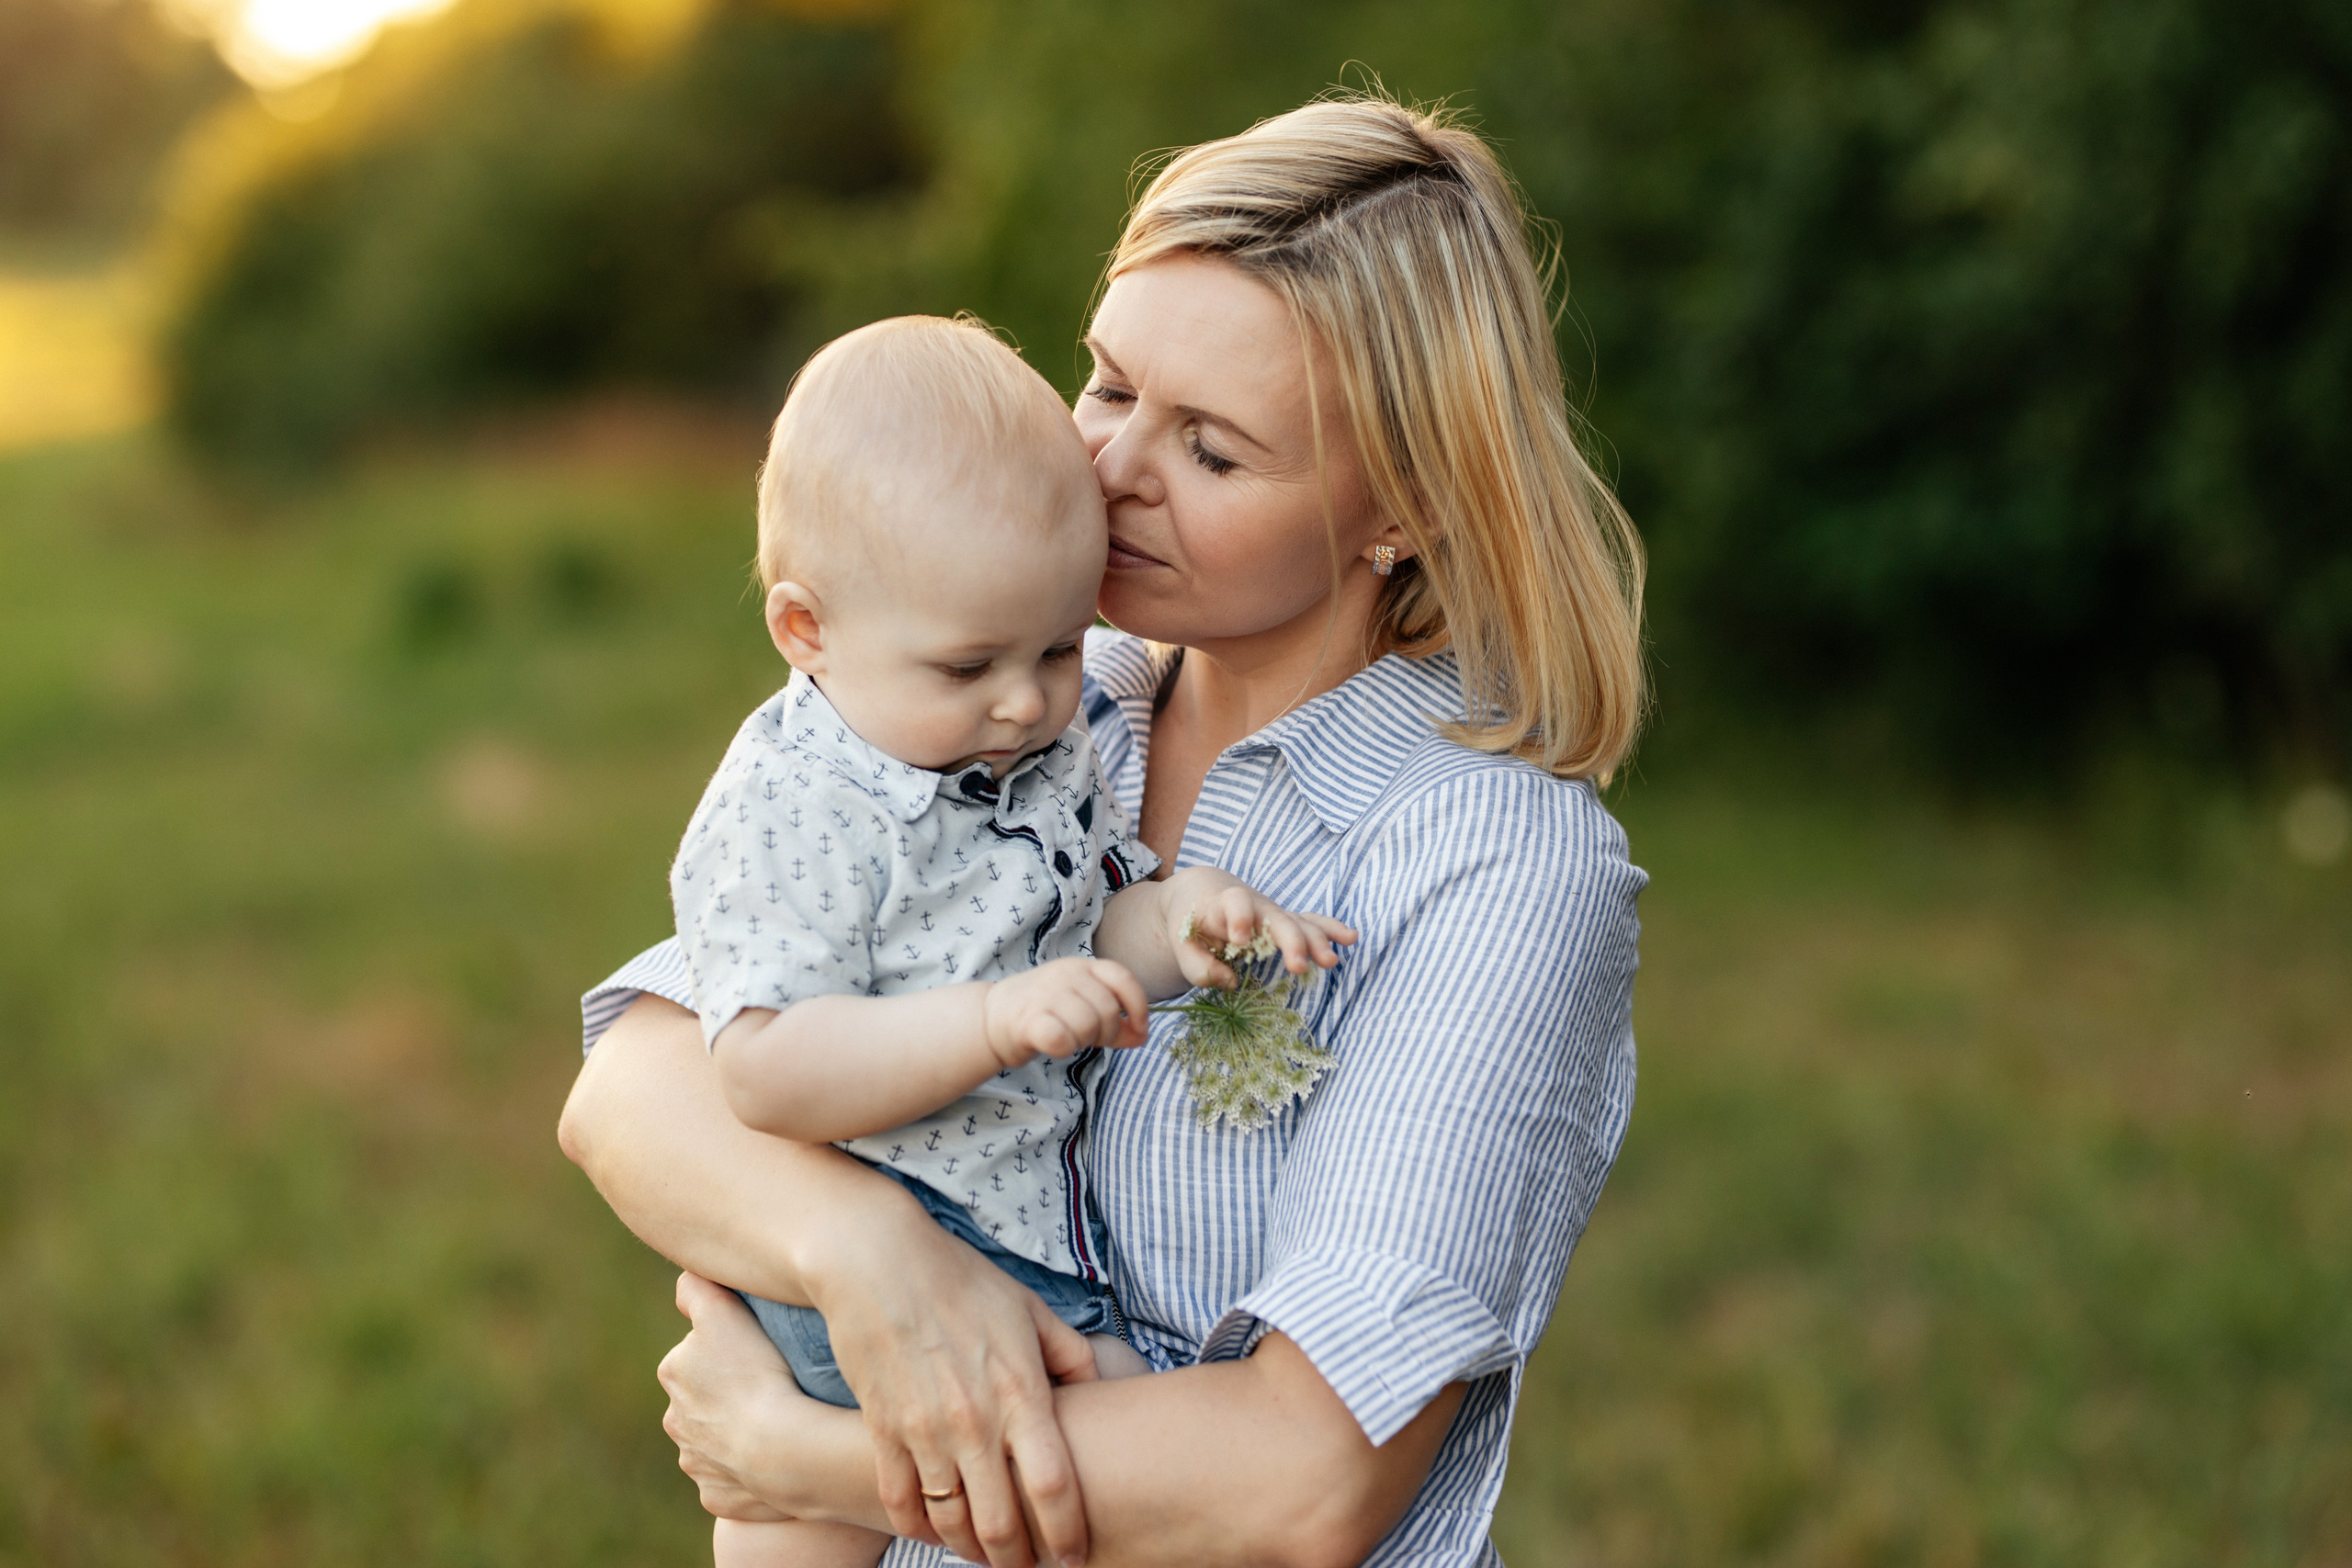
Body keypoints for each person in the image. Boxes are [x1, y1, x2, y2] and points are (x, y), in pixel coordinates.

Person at [562, 91, 1648, 1568]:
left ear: (1402, 507)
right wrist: (870, 1256)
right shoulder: (1029, 704)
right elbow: (638, 1082)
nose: (1114, 469)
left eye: (1212, 449)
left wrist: (811, 1462)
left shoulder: (1498, 868)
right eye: (1109, 385)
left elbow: (1302, 1483)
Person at [661, 314, 1354, 1568]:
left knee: (1123, 1461)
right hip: (866, 1252)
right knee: (819, 1522)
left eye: (1058, 647)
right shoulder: (795, 807)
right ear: (805, 631)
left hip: (1025, 1244)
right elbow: (762, 1068)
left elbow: (1081, 936)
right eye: (968, 664)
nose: (1028, 699)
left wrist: (1182, 916)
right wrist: (987, 1024)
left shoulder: (1028, 750)